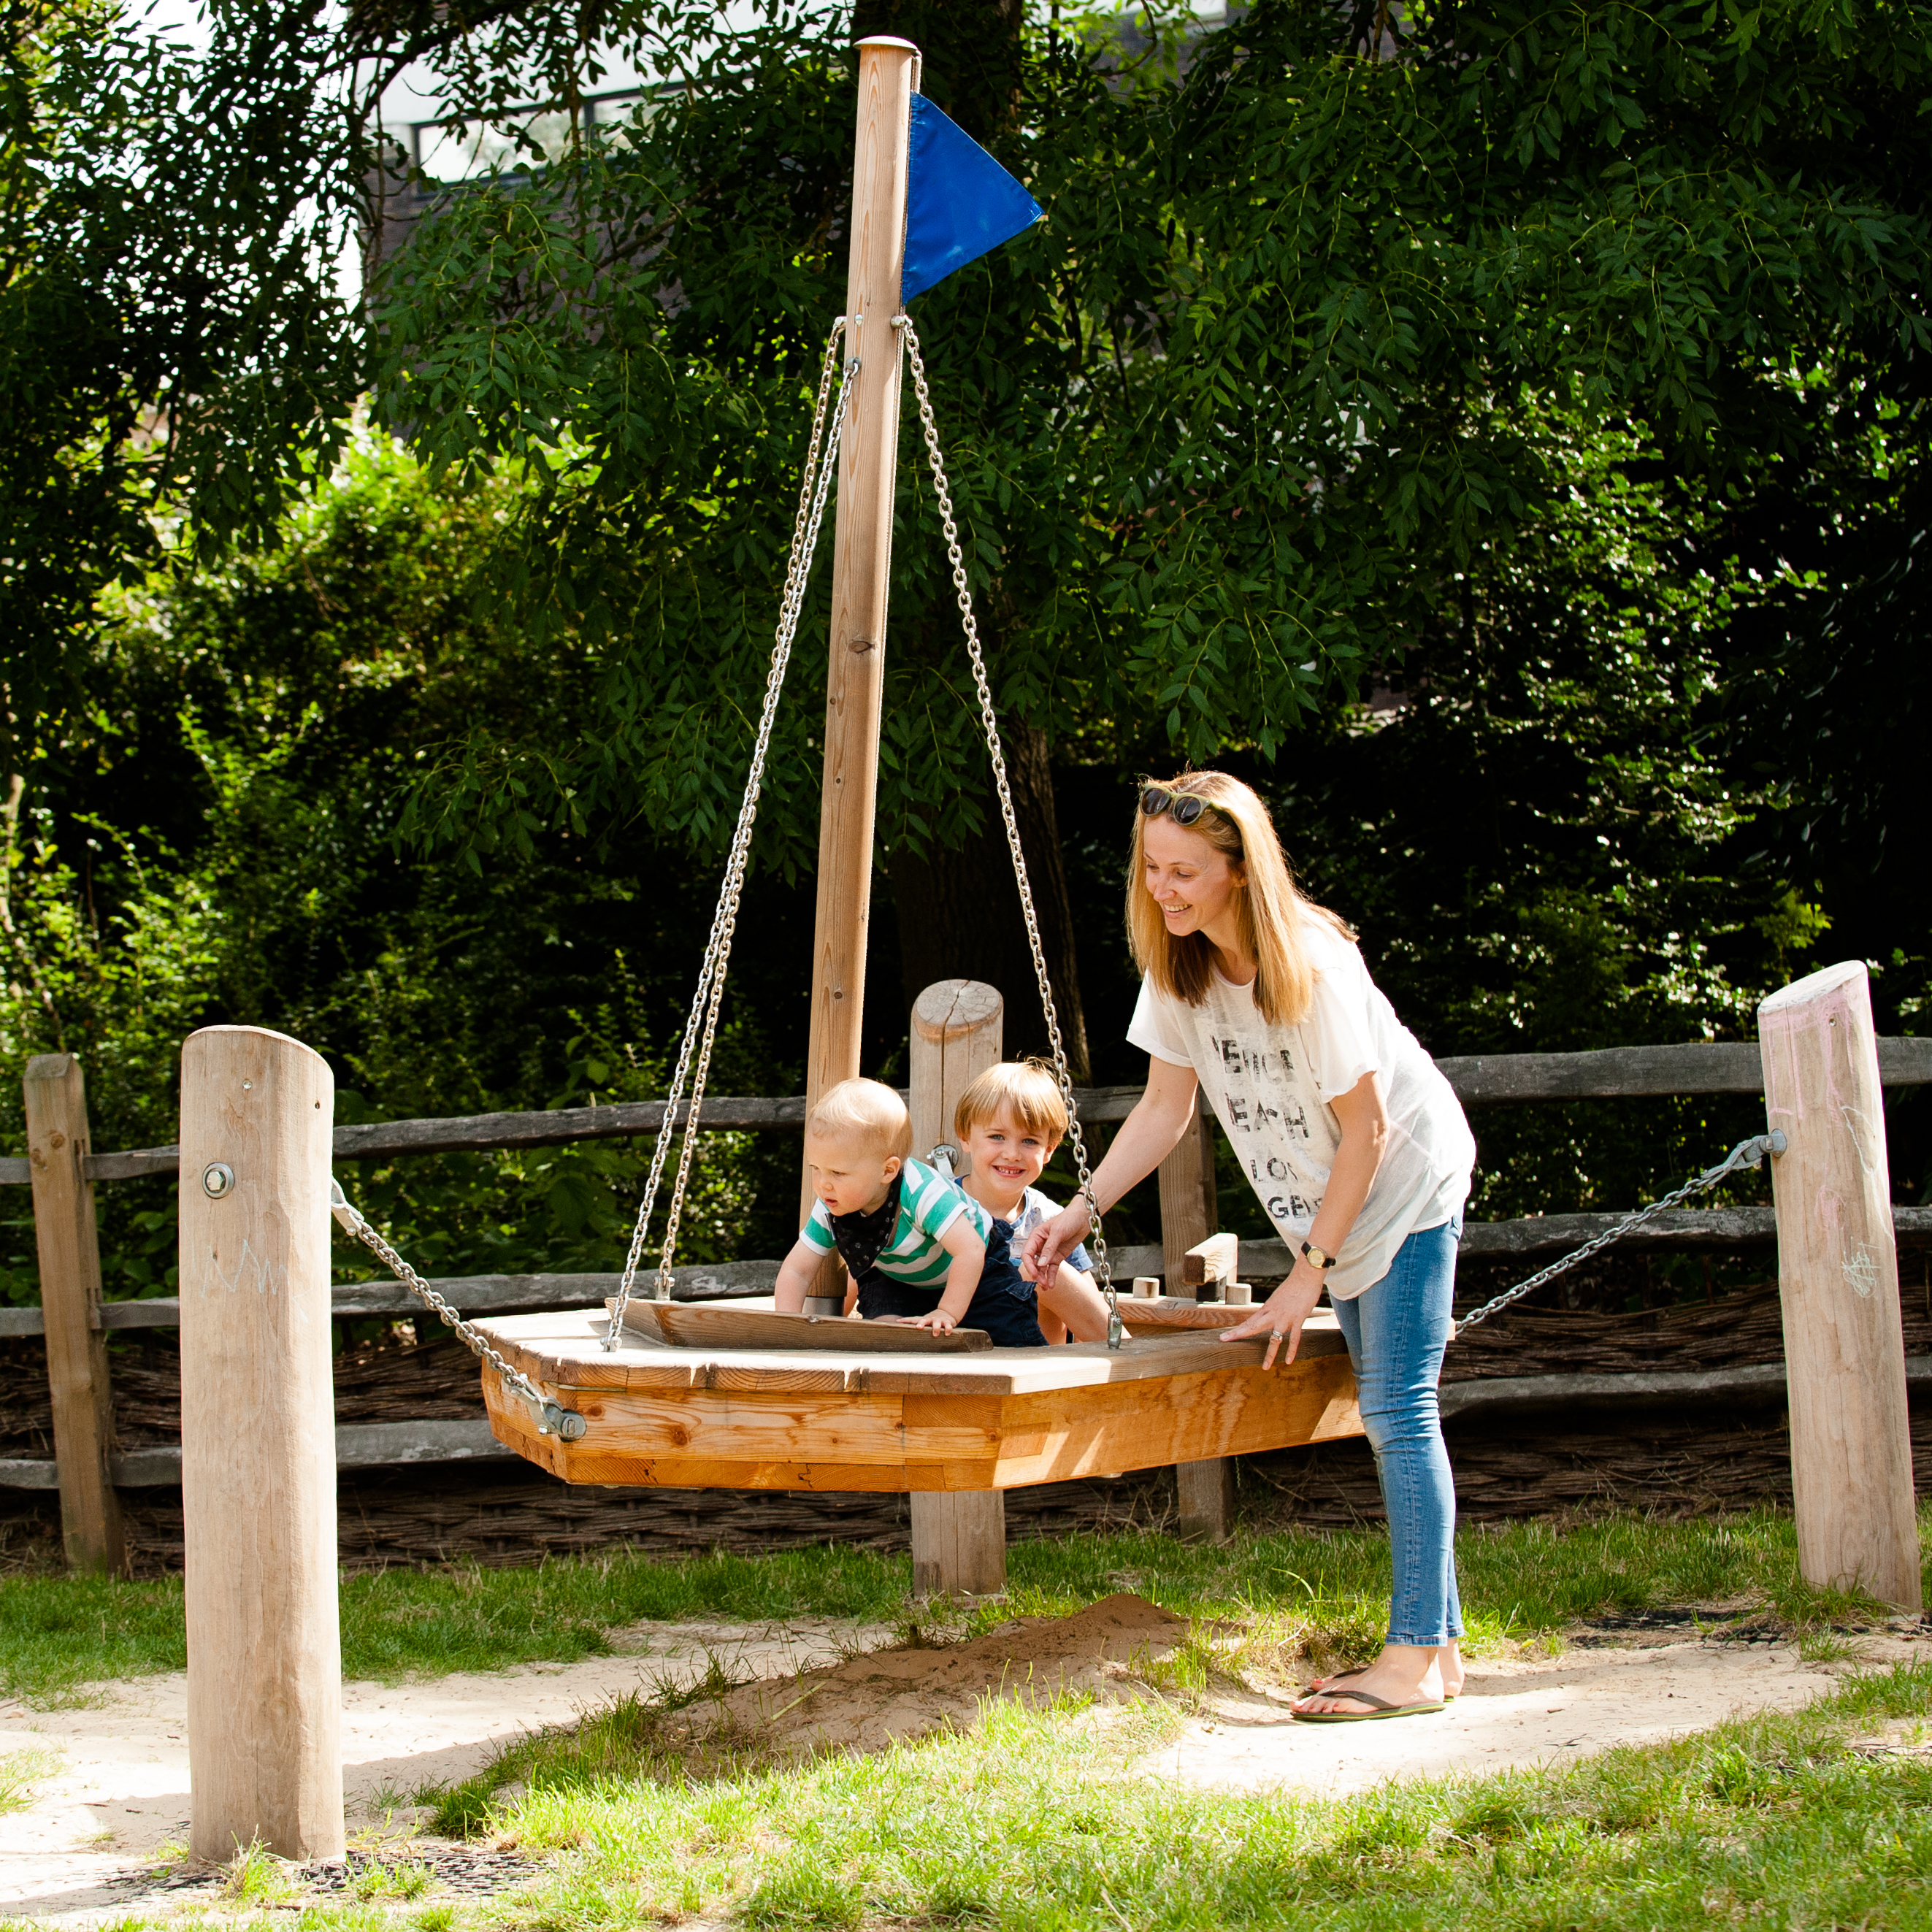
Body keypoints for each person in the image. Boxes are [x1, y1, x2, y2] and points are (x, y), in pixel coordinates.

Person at [1024, 771, 1476, 1720]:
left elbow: (1371, 1131)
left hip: (1401, 1185)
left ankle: (1409, 1658)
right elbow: (1163, 1106)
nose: (1163, 888)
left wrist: (1303, 1274)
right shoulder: (1181, 965)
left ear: (1238, 869)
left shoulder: (1307, 964)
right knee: (1397, 1405)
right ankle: (1435, 1656)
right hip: (1332, 1205)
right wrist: (1081, 1207)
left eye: (1184, 871)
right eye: (1152, 867)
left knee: (1397, 1406)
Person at [773, 1076, 1047, 1347]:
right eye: (815, 1168)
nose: (823, 1183)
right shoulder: (832, 1202)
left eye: (837, 1172)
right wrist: (785, 1328)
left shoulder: (921, 1192)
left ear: (888, 1171)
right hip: (898, 1276)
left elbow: (970, 1251)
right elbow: (797, 1270)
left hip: (977, 1265)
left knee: (1007, 1332)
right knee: (888, 1338)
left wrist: (947, 1311)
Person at [952, 1061, 1118, 1343]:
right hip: (959, 1351)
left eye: (1029, 1141)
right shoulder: (936, 1206)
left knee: (1045, 1267)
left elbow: (1088, 1309)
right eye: (997, 1137)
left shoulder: (1052, 1221)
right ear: (966, 1137)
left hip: (1040, 1364)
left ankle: (1128, 1363)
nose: (1013, 1154)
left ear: (1049, 1149)